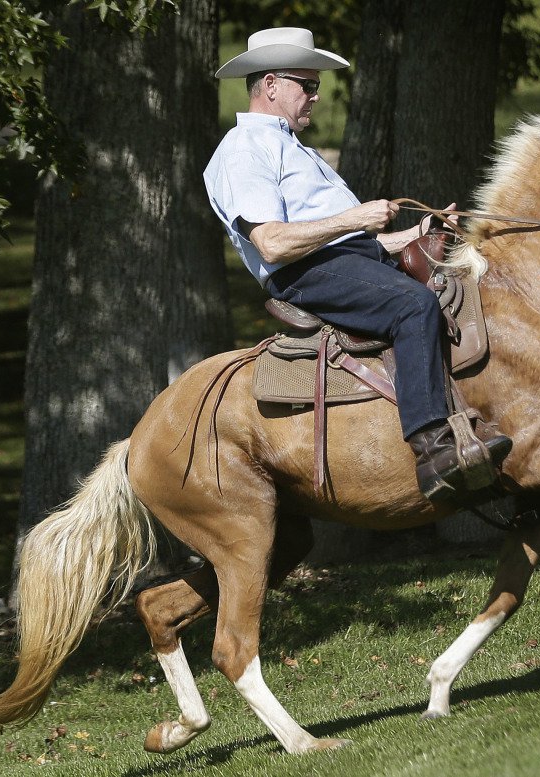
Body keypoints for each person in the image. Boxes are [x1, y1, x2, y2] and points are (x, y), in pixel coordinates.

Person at [203, 27, 510, 501]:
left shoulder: (292, 147)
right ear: (270, 84)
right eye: (306, 85)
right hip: (302, 273)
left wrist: (416, 235)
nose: (316, 96)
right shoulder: (244, 149)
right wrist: (356, 216)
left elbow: (348, 243)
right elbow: (271, 243)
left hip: (341, 262)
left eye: (316, 85)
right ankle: (433, 448)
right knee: (413, 306)